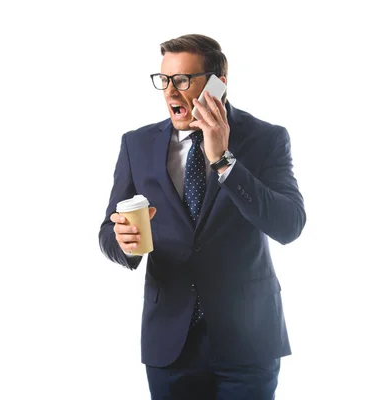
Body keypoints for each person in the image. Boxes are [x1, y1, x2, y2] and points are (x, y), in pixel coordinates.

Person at [98, 34, 306, 400]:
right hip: (170, 341)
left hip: (248, 340)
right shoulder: (137, 144)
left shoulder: (266, 139)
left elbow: (289, 225)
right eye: (163, 80)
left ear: (217, 83)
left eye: (182, 80)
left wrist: (225, 160)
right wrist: (123, 243)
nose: (170, 92)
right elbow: (108, 232)